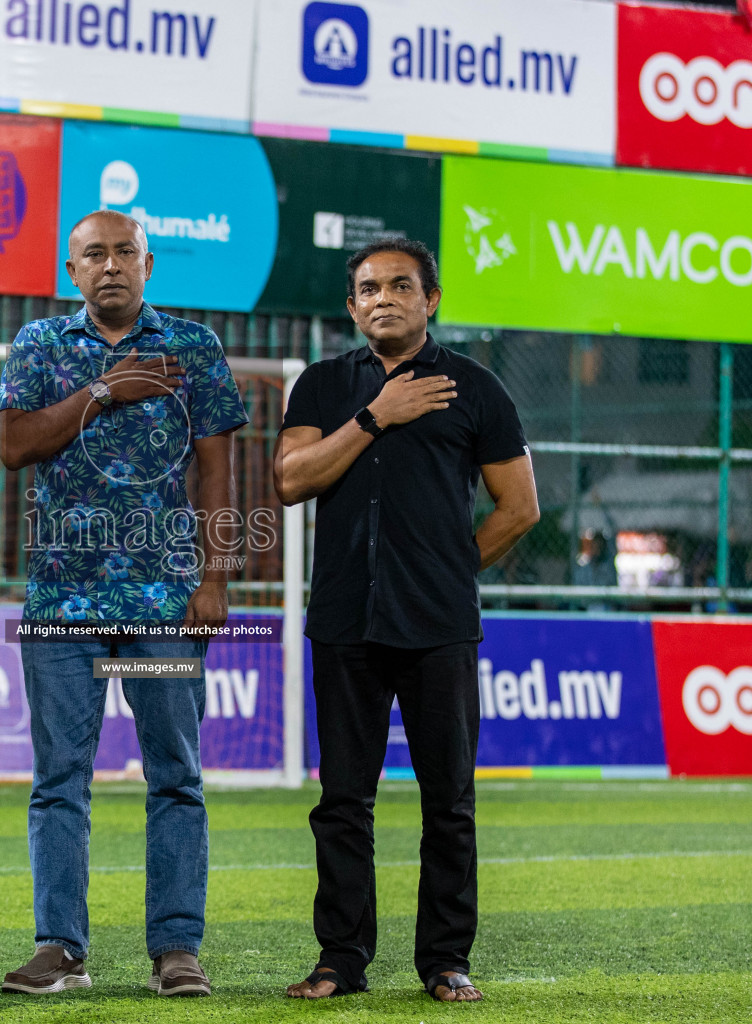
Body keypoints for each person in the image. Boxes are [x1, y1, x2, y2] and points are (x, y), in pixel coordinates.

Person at [0, 210, 247, 998]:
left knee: (174, 773)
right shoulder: (38, 345)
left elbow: (215, 471)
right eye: (93, 255)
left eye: (124, 253)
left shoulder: (194, 349)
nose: (110, 266)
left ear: (149, 263)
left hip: (163, 606)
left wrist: (215, 580)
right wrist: (102, 391)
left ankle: (177, 949)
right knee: (60, 778)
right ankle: (60, 947)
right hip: (62, 609)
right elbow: (14, 446)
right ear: (73, 271)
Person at [274, 239, 539, 1003]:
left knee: (448, 800)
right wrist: (375, 416)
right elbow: (291, 479)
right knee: (343, 802)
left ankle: (446, 960)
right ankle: (341, 959)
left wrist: (448, 575)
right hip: (345, 624)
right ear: (351, 306)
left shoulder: (476, 389)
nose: (382, 297)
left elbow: (520, 508)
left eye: (399, 285)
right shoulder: (325, 386)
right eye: (367, 288)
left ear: (432, 300)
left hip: (439, 628)